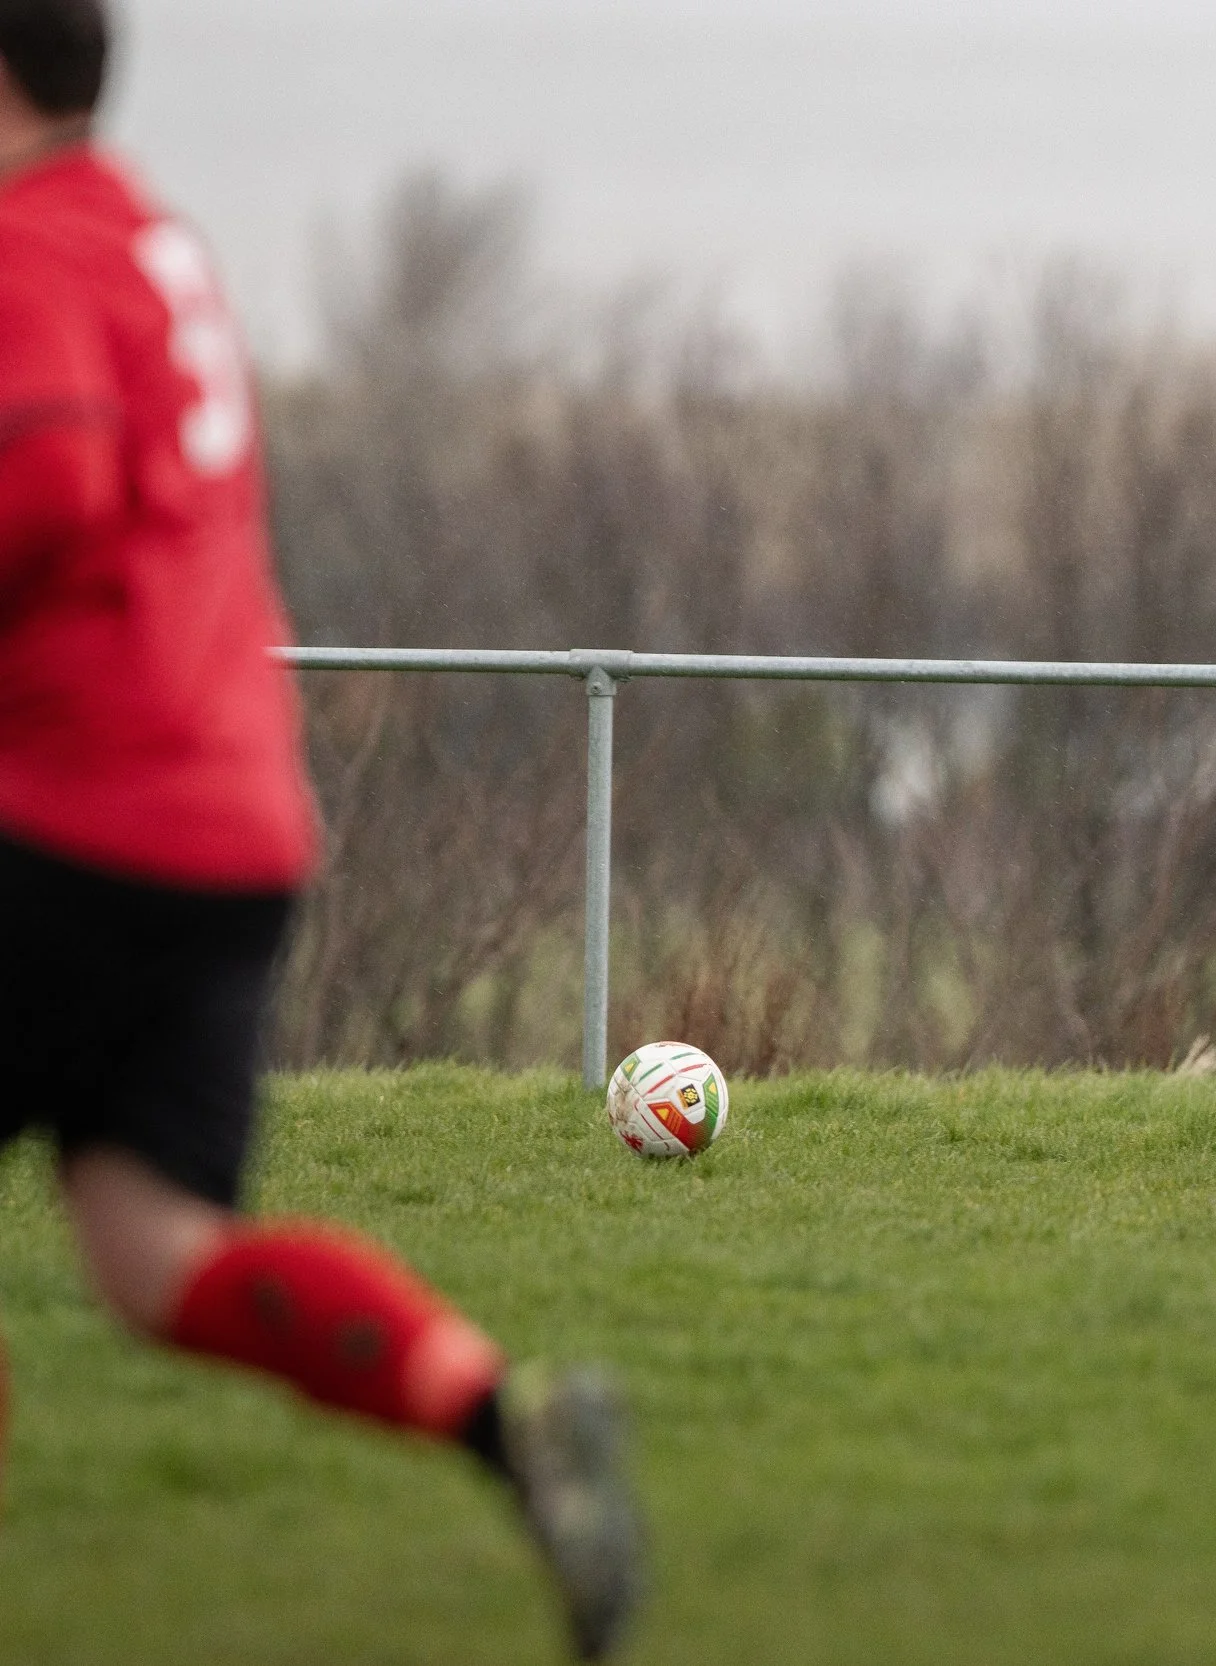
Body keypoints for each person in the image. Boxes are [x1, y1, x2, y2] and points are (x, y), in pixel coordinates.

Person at [0, 1, 647, 1652]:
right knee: (157, 1253)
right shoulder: (144, 238)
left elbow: (50, 488)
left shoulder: (25, 255)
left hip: (71, 817)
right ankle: (511, 1423)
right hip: (226, 837)